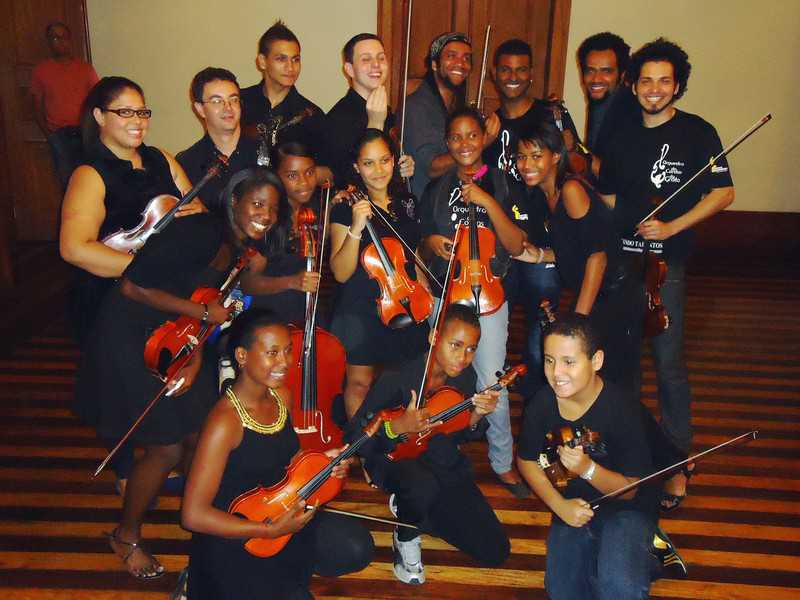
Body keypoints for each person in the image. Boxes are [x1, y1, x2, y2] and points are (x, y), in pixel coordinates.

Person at [73, 167, 281, 579]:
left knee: (200, 428)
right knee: (166, 445)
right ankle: (126, 535)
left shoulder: (239, 247)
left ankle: (202, 514)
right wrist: (203, 314)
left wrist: (195, 355)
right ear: (234, 201)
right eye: (258, 203)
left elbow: (206, 304)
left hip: (176, 335)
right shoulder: (200, 231)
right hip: (129, 336)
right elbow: (133, 287)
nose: (266, 215)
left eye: (274, 209)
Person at [598, 38, 735, 510]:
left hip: (665, 266)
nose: (654, 90)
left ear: (677, 85)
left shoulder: (699, 132)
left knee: (669, 364)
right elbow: (611, 199)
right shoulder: (620, 134)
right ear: (633, 85)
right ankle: (637, 451)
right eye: (646, 81)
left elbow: (723, 193)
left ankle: (677, 461)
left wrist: (671, 225)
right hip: (623, 263)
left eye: (664, 81)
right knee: (624, 365)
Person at [182, 311, 374, 599]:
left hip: (282, 509)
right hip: (238, 532)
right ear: (242, 356)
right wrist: (267, 531)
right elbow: (192, 515)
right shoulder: (225, 423)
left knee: (357, 548)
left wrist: (325, 463)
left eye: (287, 351)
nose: (284, 363)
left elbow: (290, 456)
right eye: (272, 353)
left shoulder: (281, 395)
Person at [345, 304, 509, 584]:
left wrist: (476, 416)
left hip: (442, 461)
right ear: (434, 337)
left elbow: (460, 434)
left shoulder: (465, 379)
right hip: (396, 460)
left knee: (495, 551)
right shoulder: (397, 377)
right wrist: (397, 427)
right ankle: (406, 534)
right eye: (456, 345)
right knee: (422, 487)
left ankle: (416, 511)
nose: (463, 357)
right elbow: (356, 440)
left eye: (472, 348)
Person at [420, 107, 527, 497]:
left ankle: (502, 460)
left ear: (485, 138)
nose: (465, 144)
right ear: (447, 143)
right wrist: (431, 243)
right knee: (437, 375)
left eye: (472, 136)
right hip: (445, 292)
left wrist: (486, 200)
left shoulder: (502, 182)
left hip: (489, 296)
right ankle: (432, 445)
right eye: (456, 137)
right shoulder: (436, 187)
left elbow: (515, 244)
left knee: (491, 379)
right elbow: (422, 240)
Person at [517, 314, 661, 600]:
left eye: (569, 362)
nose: (556, 372)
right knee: (561, 591)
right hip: (573, 504)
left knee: (619, 590)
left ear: (596, 361)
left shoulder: (624, 410)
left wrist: (588, 469)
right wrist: (560, 506)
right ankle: (631, 555)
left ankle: (650, 550)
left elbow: (631, 491)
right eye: (548, 360)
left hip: (626, 509)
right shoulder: (541, 404)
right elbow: (526, 460)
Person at [59, 76, 203, 345]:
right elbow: (74, 248)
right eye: (125, 112)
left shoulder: (162, 158)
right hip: (116, 297)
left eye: (142, 112)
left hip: (168, 288)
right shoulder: (89, 174)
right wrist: (148, 269)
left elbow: (196, 210)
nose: (138, 121)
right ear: (99, 116)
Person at [514, 121, 639, 397]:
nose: (526, 164)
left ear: (556, 156)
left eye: (537, 155)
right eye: (521, 157)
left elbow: (597, 255)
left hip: (615, 297)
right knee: (590, 384)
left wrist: (578, 322)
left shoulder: (570, 189)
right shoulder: (541, 196)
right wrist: (540, 256)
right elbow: (575, 248)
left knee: (612, 385)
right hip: (597, 295)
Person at [329, 129, 430, 419]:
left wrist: (423, 289)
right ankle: (362, 451)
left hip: (405, 300)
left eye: (384, 160)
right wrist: (356, 228)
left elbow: (413, 254)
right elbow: (340, 272)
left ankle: (399, 448)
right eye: (368, 163)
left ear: (394, 160)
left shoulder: (408, 202)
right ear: (356, 167)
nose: (378, 170)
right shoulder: (345, 209)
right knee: (359, 384)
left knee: (409, 380)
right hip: (360, 307)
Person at [482, 38, 561, 396]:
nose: (513, 76)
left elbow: (567, 170)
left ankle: (538, 405)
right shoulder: (489, 124)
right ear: (493, 75)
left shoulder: (550, 116)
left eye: (521, 69)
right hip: (501, 243)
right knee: (492, 328)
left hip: (540, 249)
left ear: (531, 74)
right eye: (505, 69)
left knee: (540, 335)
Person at [404, 32, 500, 198]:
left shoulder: (459, 105)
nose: (460, 63)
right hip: (427, 207)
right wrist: (481, 143)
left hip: (452, 203)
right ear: (434, 63)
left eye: (466, 58)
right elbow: (431, 168)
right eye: (451, 56)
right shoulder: (417, 106)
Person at [241, 142, 321, 325]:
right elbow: (247, 283)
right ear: (276, 177)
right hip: (270, 320)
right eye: (292, 175)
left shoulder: (316, 211)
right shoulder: (267, 221)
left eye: (309, 172)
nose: (304, 182)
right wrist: (292, 282)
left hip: (307, 317)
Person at [321, 33, 414, 187]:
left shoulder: (387, 111)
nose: (376, 64)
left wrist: (403, 167)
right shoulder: (337, 119)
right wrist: (374, 125)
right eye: (366, 59)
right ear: (349, 69)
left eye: (381, 58)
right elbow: (349, 179)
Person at [239, 20, 327, 179]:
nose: (291, 67)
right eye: (281, 59)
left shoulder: (312, 115)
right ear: (262, 61)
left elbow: (327, 171)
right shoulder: (239, 102)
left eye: (296, 59)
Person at [177, 67, 259, 216]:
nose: (228, 108)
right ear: (200, 109)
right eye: (217, 101)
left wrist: (207, 213)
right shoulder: (186, 164)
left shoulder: (265, 153)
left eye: (233, 99)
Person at [30, 21, 99, 187]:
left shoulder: (85, 69)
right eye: (55, 38)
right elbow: (36, 106)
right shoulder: (41, 71)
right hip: (59, 136)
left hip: (85, 133)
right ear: (48, 41)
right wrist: (49, 135)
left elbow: (98, 99)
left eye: (64, 37)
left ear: (70, 40)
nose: (60, 42)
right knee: (67, 183)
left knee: (90, 180)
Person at [576, 32, 640, 178]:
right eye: (590, 71)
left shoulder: (632, 111)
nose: (596, 79)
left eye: (606, 71)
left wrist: (576, 148)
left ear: (622, 74)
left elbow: (613, 177)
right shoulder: (600, 103)